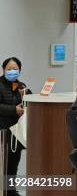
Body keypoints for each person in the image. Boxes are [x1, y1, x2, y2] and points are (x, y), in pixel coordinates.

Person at [0, 57, 30, 196]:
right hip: (2, 129)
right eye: (9, 69)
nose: (12, 71)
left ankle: (10, 191)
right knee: (2, 162)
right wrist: (14, 109)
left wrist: (26, 95)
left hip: (16, 130)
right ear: (3, 69)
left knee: (13, 162)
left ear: (20, 70)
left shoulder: (21, 85)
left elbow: (30, 103)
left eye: (15, 69)